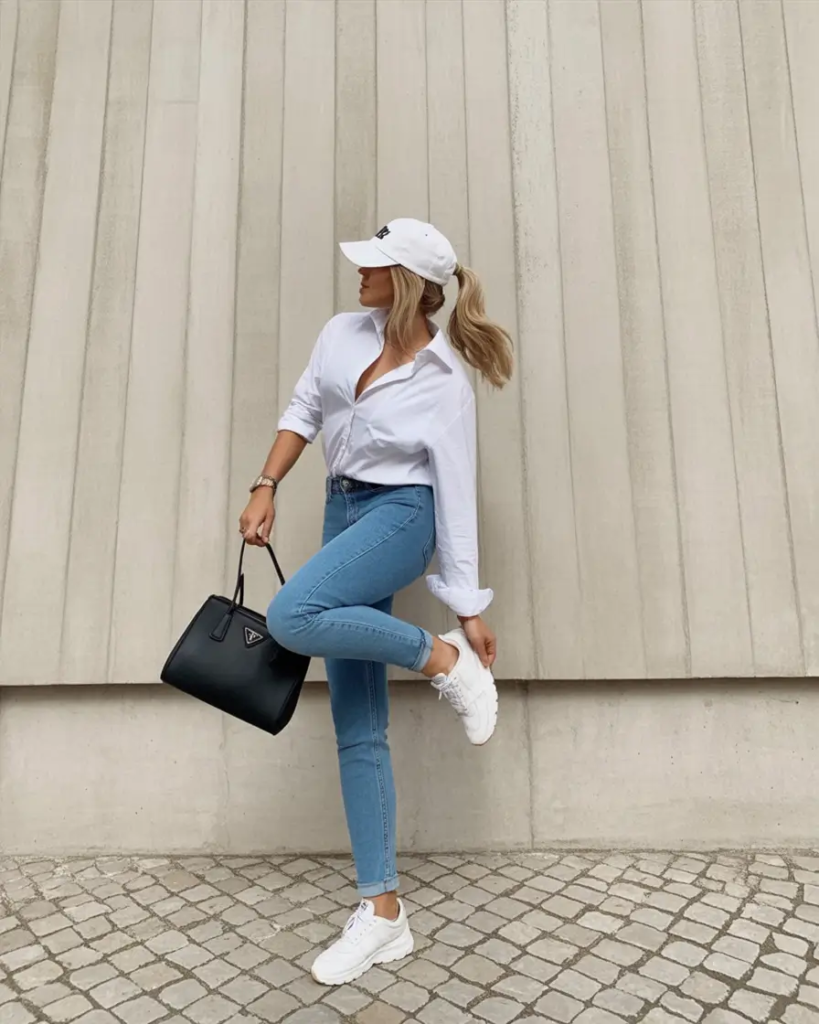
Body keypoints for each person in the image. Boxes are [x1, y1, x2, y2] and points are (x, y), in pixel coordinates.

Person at [237, 218, 513, 986]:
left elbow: (455, 495)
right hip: (342, 510)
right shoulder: (340, 334)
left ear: (409, 284)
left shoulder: (444, 380)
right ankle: (383, 912)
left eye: (375, 265)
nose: (359, 273)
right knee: (357, 727)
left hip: (401, 517)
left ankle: (442, 660)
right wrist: (266, 484)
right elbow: (303, 409)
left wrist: (464, 610)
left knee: (292, 615)